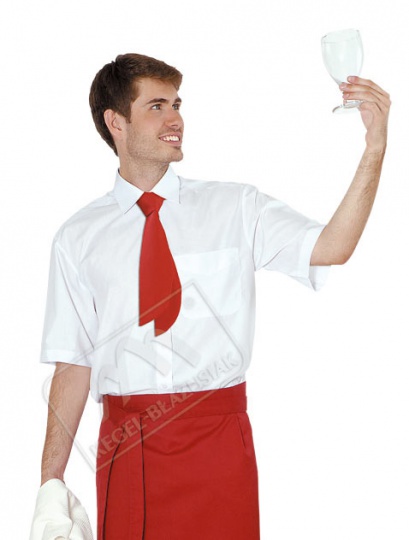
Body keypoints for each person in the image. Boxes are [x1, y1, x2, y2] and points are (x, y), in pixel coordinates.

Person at [33, 53, 390, 540]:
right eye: (157, 106)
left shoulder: (235, 206)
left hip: (218, 442)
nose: (175, 118)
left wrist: (374, 147)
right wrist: (50, 484)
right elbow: (73, 364)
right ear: (116, 122)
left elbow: (333, 246)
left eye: (177, 104)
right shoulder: (77, 238)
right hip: (128, 446)